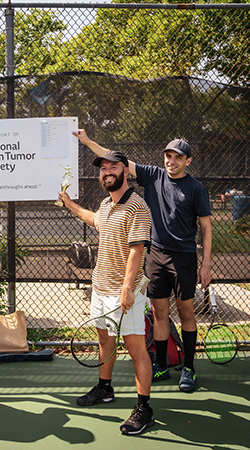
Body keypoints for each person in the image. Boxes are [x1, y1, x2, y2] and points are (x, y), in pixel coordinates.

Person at [73, 130, 212, 393]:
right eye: (168, 156)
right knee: (159, 312)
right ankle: (160, 364)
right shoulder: (153, 175)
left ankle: (189, 368)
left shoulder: (196, 189)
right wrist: (87, 141)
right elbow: (113, 161)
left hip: (183, 258)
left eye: (178, 157)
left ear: (188, 161)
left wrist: (205, 264)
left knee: (185, 313)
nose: (171, 161)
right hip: (156, 256)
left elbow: (206, 227)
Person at [58, 150, 154, 436]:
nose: (106, 171)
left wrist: (126, 290)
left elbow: (138, 251)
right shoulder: (106, 203)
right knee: (104, 338)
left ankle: (144, 409)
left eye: (113, 167)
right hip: (99, 288)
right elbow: (94, 220)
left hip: (125, 292)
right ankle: (105, 388)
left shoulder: (138, 207)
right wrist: (69, 204)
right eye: (103, 168)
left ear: (126, 171)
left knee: (136, 348)